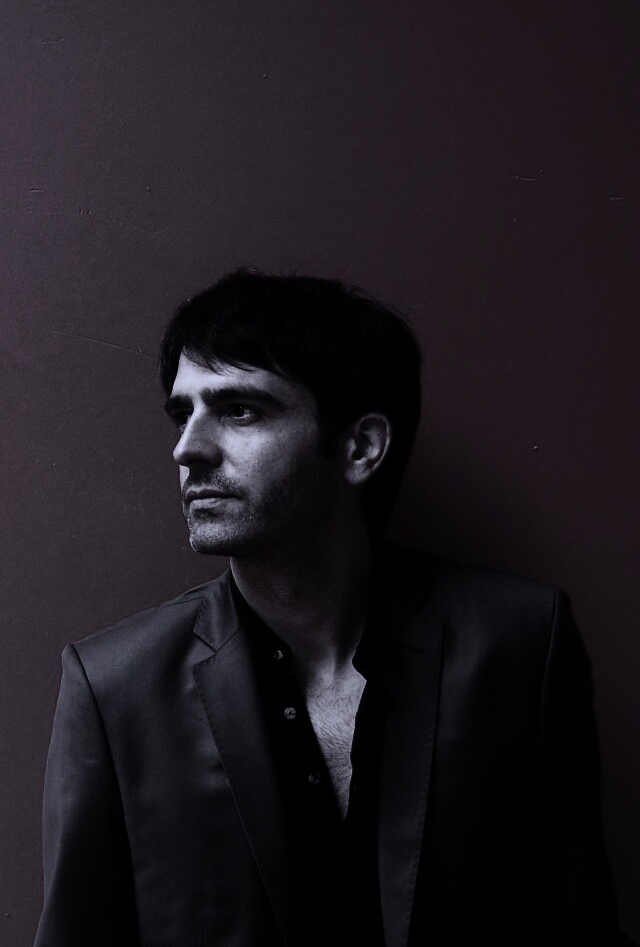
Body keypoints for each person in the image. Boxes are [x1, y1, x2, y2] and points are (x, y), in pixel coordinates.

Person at [34, 269, 632, 947]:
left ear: (360, 447)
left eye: (240, 410)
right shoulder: (114, 688)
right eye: (183, 413)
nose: (187, 449)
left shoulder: (519, 642)